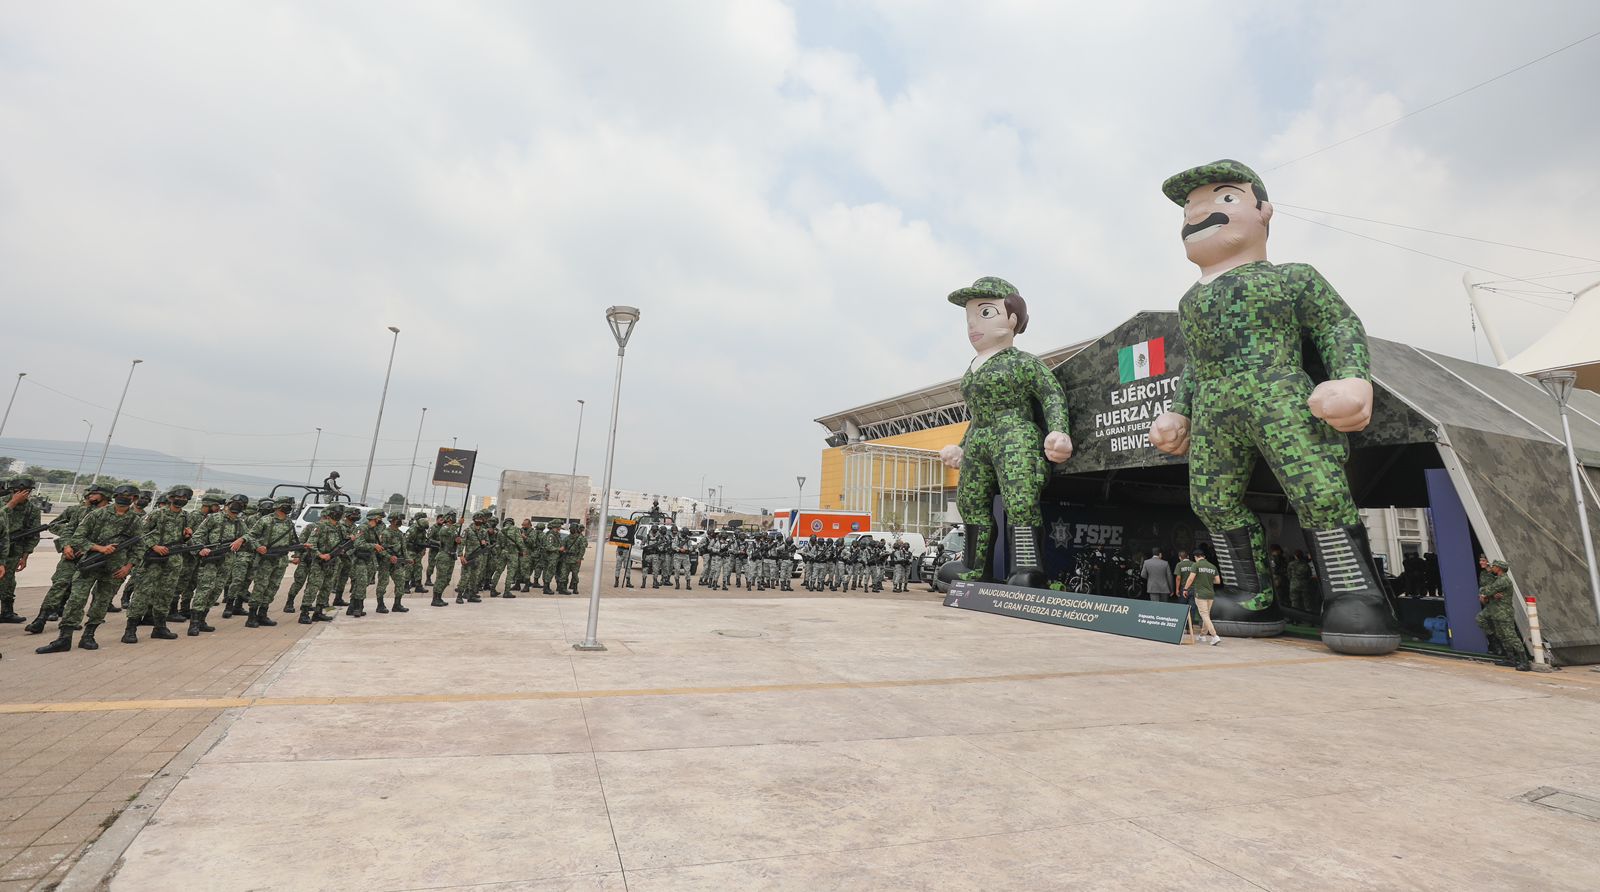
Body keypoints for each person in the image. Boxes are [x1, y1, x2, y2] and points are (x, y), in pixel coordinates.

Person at [1147, 159, 1399, 655]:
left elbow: (1337, 325)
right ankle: (1250, 593)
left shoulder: (1292, 278)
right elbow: (1197, 362)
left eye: (1222, 198)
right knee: (1212, 501)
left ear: (1264, 212)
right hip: (1216, 406)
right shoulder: (1190, 301)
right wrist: (1180, 411)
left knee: (1319, 490)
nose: (1200, 213)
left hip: (1279, 393)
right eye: (1190, 207)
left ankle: (1354, 595)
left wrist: (1351, 377)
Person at [938, 276, 1073, 587]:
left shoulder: (1022, 363)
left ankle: (1027, 569)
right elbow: (978, 415)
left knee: (1020, 501)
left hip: (1014, 436)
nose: (974, 324)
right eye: (969, 317)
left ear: (1013, 318)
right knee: (971, 500)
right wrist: (961, 445)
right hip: (980, 439)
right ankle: (973, 566)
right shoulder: (973, 368)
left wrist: (1058, 431)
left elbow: (1051, 393)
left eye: (985, 314)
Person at [37, 484, 144, 653]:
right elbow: (78, 537)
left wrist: (128, 567)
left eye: (130, 496)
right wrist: (99, 548)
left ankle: (89, 636)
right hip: (90, 563)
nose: (125, 498)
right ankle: (64, 638)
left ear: (134, 499)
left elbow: (139, 547)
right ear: (115, 496)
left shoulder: (136, 521)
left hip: (115, 568)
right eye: (122, 494)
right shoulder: (97, 514)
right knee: (76, 600)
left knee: (101, 602)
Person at [0, 477, 42, 623]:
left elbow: (33, 535)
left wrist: (25, 556)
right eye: (17, 491)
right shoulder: (2, 503)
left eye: (25, 492)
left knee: (8, 581)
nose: (21, 494)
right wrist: (13, 503)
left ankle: (6, 612)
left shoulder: (32, 510)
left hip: (14, 549)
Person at [1476, 559, 1529, 671]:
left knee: (1511, 636)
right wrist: (1490, 594)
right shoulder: (1498, 579)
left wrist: (1486, 593)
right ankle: (1510, 659)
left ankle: (1524, 661)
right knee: (1502, 636)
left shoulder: (1503, 580)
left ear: (1499, 568)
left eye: (1494, 566)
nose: (1492, 567)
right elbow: (1488, 591)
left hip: (1504, 613)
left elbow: (1487, 590)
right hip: (1497, 612)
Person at [1182, 545, 1222, 646]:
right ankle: (1202, 635)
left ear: (1196, 557)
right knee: (1206, 615)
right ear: (1204, 556)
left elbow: (1191, 579)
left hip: (1200, 594)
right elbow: (1217, 581)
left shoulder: (1196, 565)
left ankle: (1214, 636)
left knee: (1204, 614)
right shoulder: (1212, 566)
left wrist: (1185, 589)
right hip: (1210, 594)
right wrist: (1208, 580)